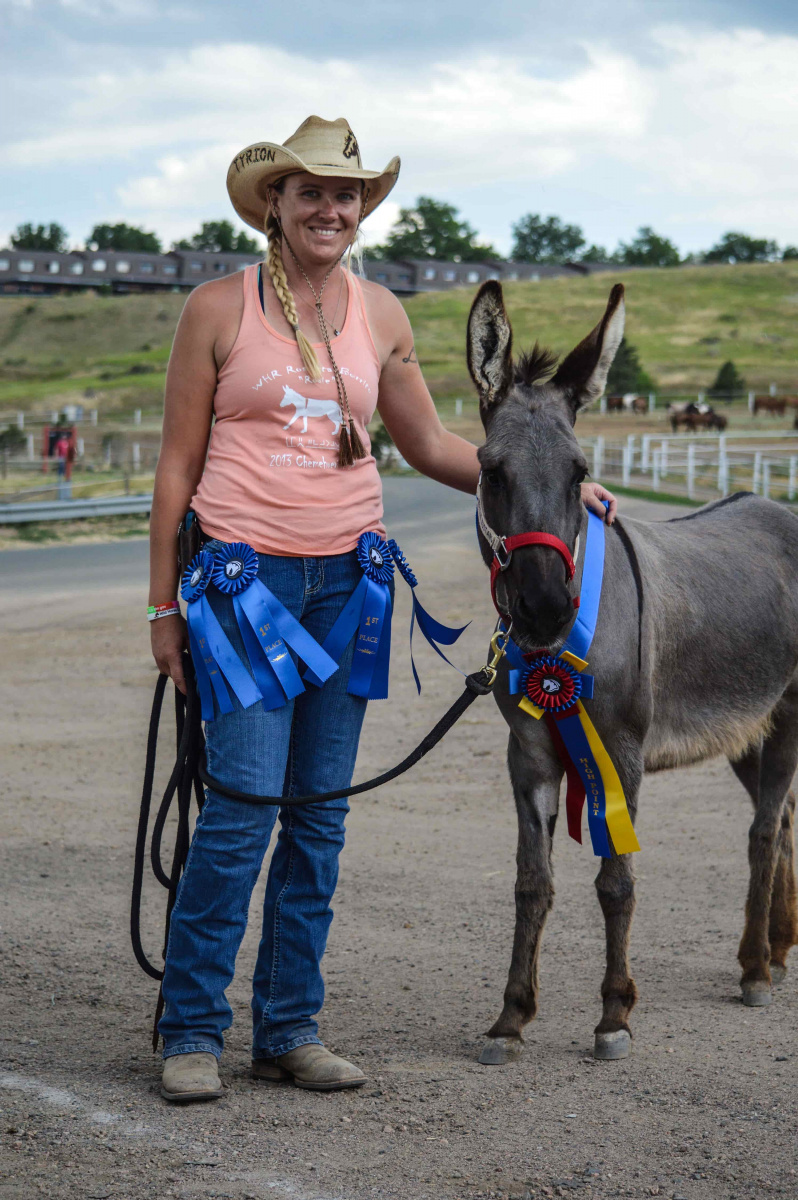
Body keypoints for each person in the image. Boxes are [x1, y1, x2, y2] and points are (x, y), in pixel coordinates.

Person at [149, 115, 617, 1103]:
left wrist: (558, 486)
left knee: (318, 821)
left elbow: (440, 448)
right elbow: (178, 465)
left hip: (348, 585)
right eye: (310, 191)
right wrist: (162, 606)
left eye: (346, 194)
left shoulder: (383, 315)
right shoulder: (216, 310)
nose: (330, 208)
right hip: (243, 589)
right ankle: (191, 1031)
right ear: (274, 202)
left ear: (361, 210)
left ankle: (288, 1029)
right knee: (239, 815)